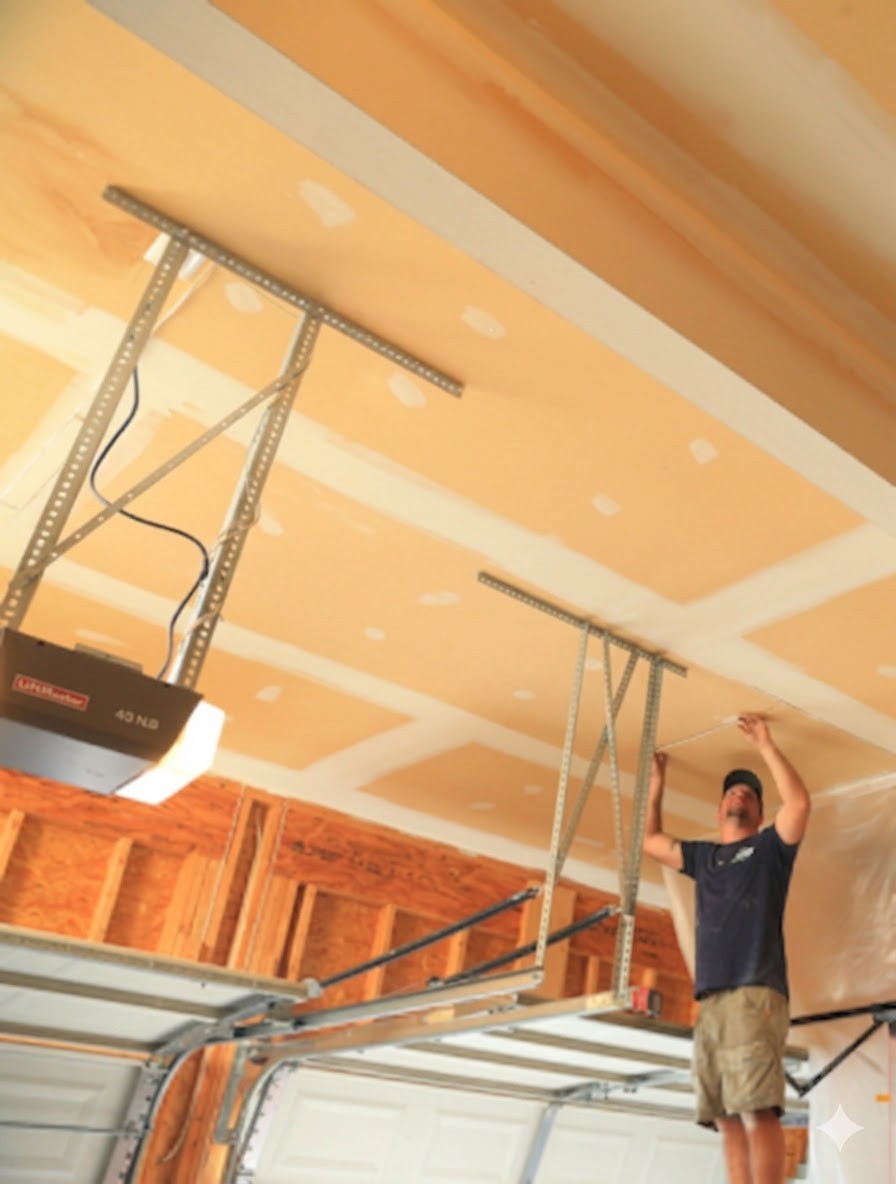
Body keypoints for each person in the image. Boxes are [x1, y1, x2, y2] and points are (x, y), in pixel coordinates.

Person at [643, 713, 810, 1184]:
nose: (740, 795)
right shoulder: (704, 858)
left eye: (751, 794)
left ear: (759, 815)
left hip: (753, 992)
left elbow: (798, 803)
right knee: (726, 1115)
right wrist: (657, 784)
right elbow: (653, 841)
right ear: (719, 812)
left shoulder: (769, 851)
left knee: (756, 1107)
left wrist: (766, 746)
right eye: (733, 792)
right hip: (712, 1000)